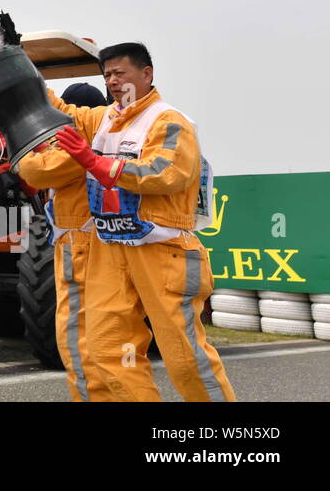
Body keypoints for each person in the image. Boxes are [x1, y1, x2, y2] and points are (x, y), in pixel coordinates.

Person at [22, 42, 234, 402]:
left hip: (165, 251)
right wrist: (15, 68)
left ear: (147, 74)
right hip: (113, 250)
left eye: (121, 73)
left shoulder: (169, 121)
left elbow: (165, 172)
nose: (114, 82)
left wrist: (96, 163)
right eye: (108, 75)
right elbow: (57, 109)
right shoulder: (99, 119)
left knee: (184, 356)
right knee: (107, 352)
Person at [15, 81, 110, 401]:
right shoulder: (109, 135)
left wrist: (22, 151)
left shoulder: (85, 144)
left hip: (84, 247)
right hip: (85, 242)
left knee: (80, 336)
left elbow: (37, 173)